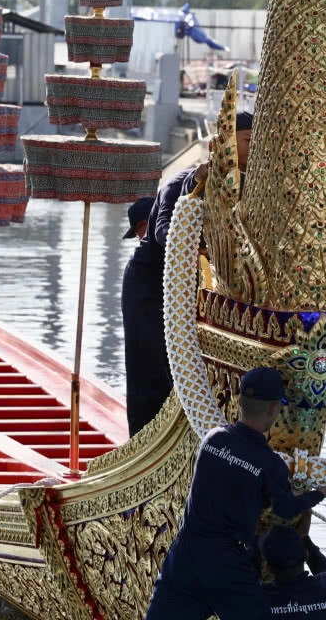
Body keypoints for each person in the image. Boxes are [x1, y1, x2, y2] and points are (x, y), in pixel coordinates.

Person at [145, 367, 326, 620]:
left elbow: (231, 475)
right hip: (227, 564)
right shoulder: (270, 464)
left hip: (186, 554)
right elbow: (285, 509)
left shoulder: (212, 440)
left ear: (240, 401)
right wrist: (321, 493)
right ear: (273, 409)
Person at [121, 111, 254, 437]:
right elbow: (165, 232)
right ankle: (143, 440)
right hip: (150, 285)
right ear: (218, 146)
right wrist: (197, 195)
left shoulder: (247, 189)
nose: (255, 150)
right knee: (155, 367)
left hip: (196, 286)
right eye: (248, 141)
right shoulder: (180, 184)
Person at [261, 512, 326, 619]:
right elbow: (323, 565)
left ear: (267, 567)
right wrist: (304, 537)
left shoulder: (258, 598)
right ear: (306, 555)